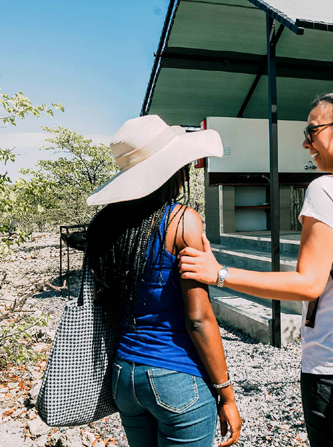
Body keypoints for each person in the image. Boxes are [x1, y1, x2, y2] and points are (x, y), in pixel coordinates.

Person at [179, 92, 333, 447]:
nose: (306, 143)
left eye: (313, 130)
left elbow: (308, 284)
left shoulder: (327, 189)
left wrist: (219, 274)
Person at [85, 115, 242, 447]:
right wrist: (226, 394)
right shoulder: (182, 220)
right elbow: (199, 319)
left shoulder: (105, 227)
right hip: (175, 376)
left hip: (124, 376)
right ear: (175, 170)